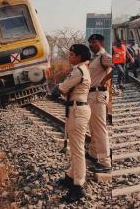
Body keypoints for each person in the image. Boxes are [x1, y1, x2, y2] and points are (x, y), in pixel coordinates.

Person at [55, 44, 92, 203]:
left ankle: (78, 186)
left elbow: (63, 88)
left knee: (77, 150)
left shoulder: (78, 70)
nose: (69, 57)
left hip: (78, 111)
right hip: (76, 110)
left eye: (71, 54)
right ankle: (70, 177)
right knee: (75, 147)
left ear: (78, 56)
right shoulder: (81, 69)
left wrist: (57, 87)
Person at [87, 34, 112, 173]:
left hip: (98, 94)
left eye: (94, 42)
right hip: (92, 94)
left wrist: (104, 81)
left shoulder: (104, 56)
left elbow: (115, 67)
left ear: (101, 43)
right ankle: (93, 154)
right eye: (90, 42)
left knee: (100, 128)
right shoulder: (95, 58)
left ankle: (105, 162)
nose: (92, 44)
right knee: (93, 127)